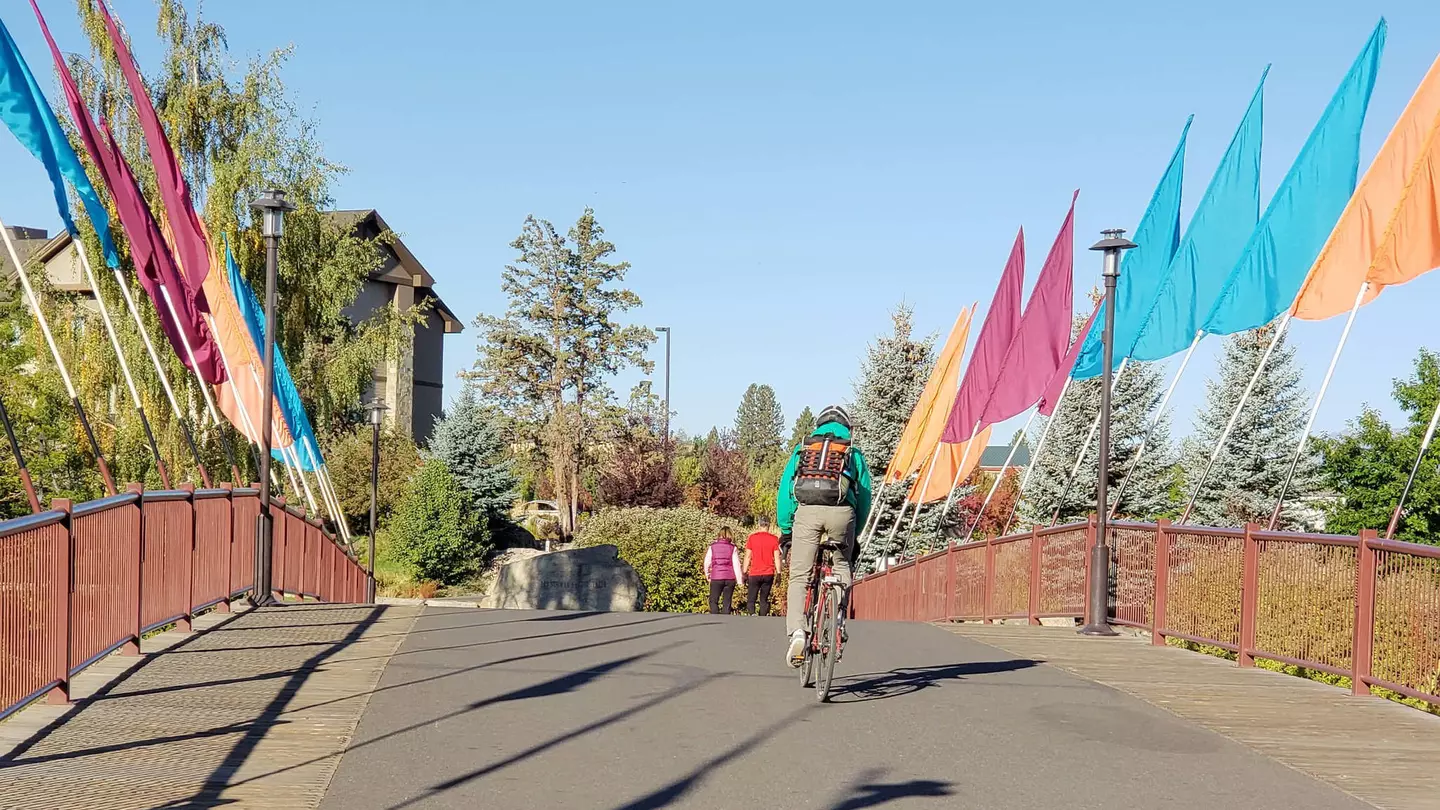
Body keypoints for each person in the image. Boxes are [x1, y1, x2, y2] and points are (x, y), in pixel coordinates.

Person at [776, 404, 872, 667]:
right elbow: (864, 497)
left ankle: (798, 632)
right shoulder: (852, 451)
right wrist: (856, 532)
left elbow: (786, 492)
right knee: (841, 565)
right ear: (846, 426)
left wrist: (786, 529)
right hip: (842, 513)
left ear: (818, 425)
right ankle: (837, 623)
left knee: (800, 576)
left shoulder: (803, 449)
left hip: (807, 514)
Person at [742, 521, 783, 616]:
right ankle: (762, 616)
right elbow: (777, 558)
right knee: (764, 598)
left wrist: (744, 571)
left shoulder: (752, 538)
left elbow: (747, 556)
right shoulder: (774, 539)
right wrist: (779, 573)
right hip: (768, 572)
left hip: (755, 572)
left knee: (751, 597)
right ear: (769, 526)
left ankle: (752, 613)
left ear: (759, 525)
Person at [703, 526, 744, 614]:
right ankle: (725, 620)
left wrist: (707, 574)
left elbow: (707, 562)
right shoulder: (733, 548)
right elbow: (736, 565)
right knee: (727, 602)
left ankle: (715, 618)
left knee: (713, 600)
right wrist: (740, 581)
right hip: (730, 578)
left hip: (716, 577)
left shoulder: (712, 547)